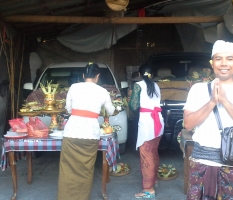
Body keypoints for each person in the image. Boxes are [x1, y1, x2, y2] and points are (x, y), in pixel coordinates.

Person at [183, 40, 233, 199]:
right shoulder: (198, 90)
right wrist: (212, 102)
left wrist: (225, 101)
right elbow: (188, 124)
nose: (224, 63)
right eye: (218, 58)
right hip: (201, 162)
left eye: (229, 58)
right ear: (212, 63)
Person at [57, 63, 115, 200]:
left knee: (67, 170)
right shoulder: (102, 91)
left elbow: (69, 109)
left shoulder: (74, 87)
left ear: (83, 76)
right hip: (90, 134)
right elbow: (111, 111)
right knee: (85, 171)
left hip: (72, 132)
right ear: (97, 76)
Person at [129, 64, 164, 199]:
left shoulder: (138, 85)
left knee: (146, 155)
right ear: (153, 74)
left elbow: (133, 106)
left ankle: (149, 189)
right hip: (158, 121)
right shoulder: (156, 86)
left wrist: (131, 97)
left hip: (147, 123)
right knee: (153, 151)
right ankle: (154, 180)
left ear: (139, 73)